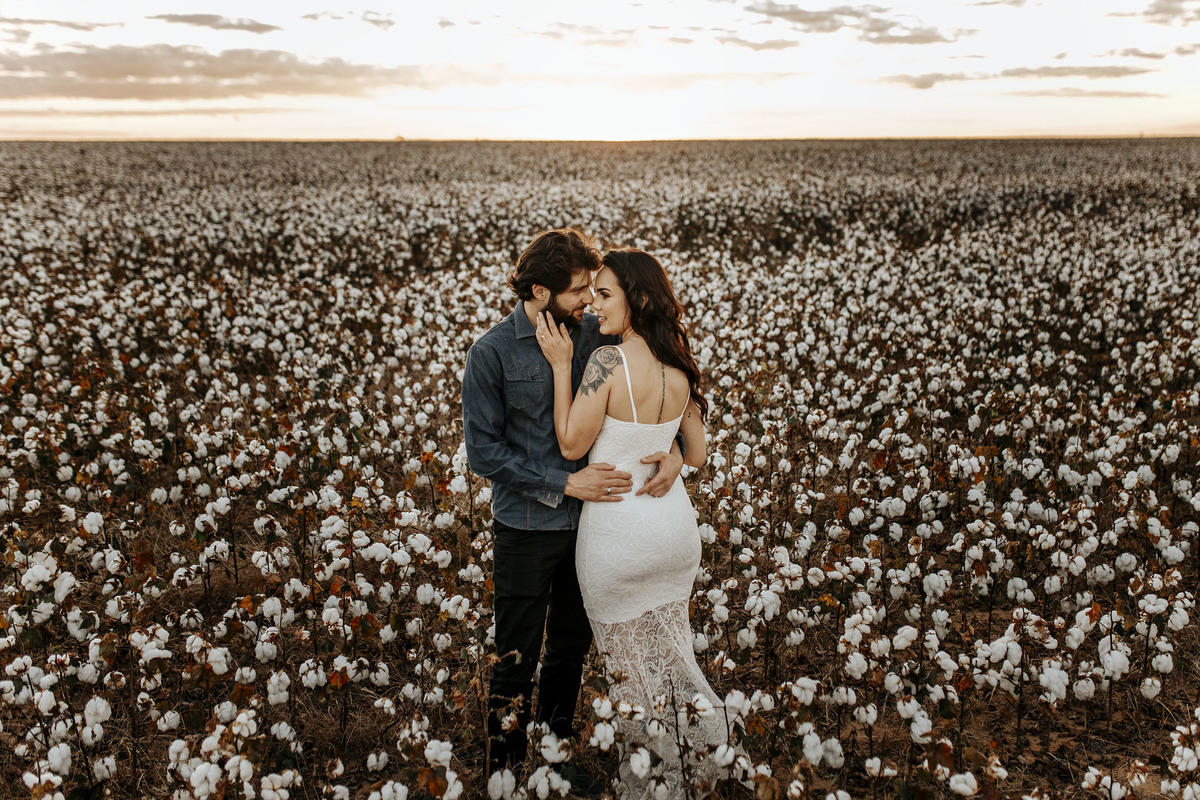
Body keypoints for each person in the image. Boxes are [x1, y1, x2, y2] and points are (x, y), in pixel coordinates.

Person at [461, 229, 686, 782]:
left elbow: (651, 394)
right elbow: (484, 453)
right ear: (540, 291)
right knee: (514, 656)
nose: (589, 299)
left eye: (594, 289)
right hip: (526, 525)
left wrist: (677, 452)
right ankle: (506, 772)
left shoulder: (593, 338)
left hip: (593, 527)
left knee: (568, 649)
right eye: (580, 289)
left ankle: (555, 758)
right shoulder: (490, 353)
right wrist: (566, 484)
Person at [534, 248, 726, 798]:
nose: (594, 306)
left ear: (638, 299)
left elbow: (572, 442)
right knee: (674, 660)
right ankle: (702, 758)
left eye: (605, 294)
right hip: (672, 532)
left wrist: (563, 366)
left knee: (633, 680)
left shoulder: (605, 363)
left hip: (618, 537)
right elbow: (698, 455)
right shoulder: (679, 364)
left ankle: (654, 782)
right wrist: (665, 452)